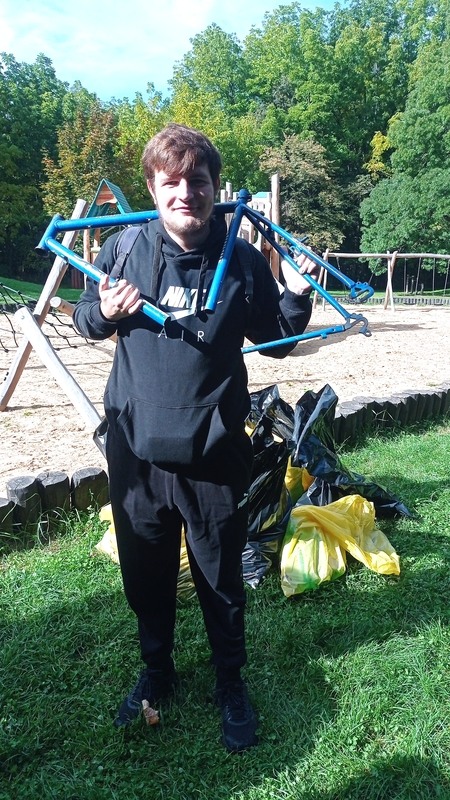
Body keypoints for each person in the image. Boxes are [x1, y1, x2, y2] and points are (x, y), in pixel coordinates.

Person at [73, 123, 319, 753]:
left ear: (214, 187)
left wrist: (297, 293)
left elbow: (278, 339)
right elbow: (85, 320)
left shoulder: (241, 258)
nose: (187, 193)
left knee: (219, 577)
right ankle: (157, 672)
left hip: (214, 452)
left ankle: (230, 682)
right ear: (154, 188)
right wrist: (106, 311)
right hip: (137, 452)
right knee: (145, 575)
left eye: (198, 181)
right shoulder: (124, 248)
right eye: (172, 182)